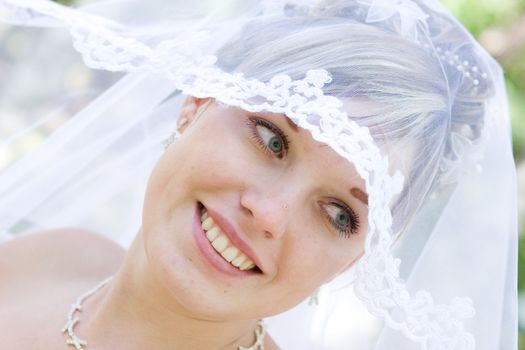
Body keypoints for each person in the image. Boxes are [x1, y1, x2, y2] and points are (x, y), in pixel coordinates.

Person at [0, 0, 518, 349]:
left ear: (361, 257)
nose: (268, 214)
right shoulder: (54, 257)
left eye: (340, 214)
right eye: (272, 140)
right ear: (197, 102)